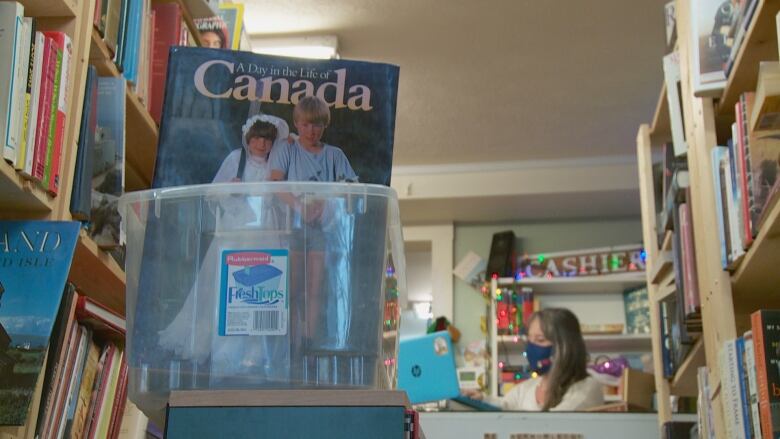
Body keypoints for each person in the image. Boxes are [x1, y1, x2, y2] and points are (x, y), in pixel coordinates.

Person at [464, 308, 604, 411]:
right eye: (529, 339)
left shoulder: (588, 388)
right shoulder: (527, 388)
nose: (531, 347)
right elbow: (505, 405)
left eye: (540, 340)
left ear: (564, 347)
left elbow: (555, 426)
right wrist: (481, 399)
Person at [268, 95, 357, 183]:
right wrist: (297, 198)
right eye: (305, 125)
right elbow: (276, 184)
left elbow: (351, 189)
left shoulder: (336, 155)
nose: (310, 131)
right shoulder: (286, 148)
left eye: (316, 125)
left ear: (325, 124)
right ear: (295, 123)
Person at [212, 114, 289, 183]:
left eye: (267, 139)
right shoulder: (236, 158)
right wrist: (229, 188)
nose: (261, 144)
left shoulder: (277, 162)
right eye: (256, 138)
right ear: (248, 139)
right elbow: (212, 192)